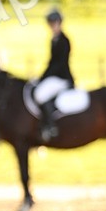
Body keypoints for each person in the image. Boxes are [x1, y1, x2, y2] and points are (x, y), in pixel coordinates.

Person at [35, 9, 74, 142]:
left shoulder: (64, 41)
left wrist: (45, 78)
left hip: (62, 78)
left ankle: (51, 126)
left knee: (40, 95)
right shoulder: (53, 40)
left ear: (59, 23)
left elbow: (59, 64)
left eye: (53, 22)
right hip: (54, 76)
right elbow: (51, 63)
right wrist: (41, 77)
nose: (51, 26)